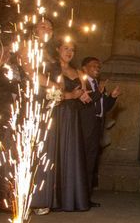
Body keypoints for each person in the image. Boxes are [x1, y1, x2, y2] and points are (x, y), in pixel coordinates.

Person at [31, 40, 91, 213]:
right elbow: (46, 93)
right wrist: (70, 95)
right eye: (66, 48)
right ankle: (44, 199)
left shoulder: (79, 72)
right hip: (55, 114)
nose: (69, 52)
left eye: (72, 49)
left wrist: (83, 97)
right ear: (58, 49)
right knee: (50, 154)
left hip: (71, 117)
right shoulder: (49, 68)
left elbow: (83, 96)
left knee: (69, 153)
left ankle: (68, 198)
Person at [78, 56, 120, 206]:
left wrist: (112, 97)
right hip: (85, 126)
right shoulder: (81, 82)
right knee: (82, 162)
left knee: (91, 163)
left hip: (97, 126)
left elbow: (104, 107)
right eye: (93, 65)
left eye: (98, 66)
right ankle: (77, 197)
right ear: (84, 68)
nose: (97, 68)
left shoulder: (98, 84)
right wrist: (99, 91)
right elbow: (84, 102)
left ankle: (86, 198)